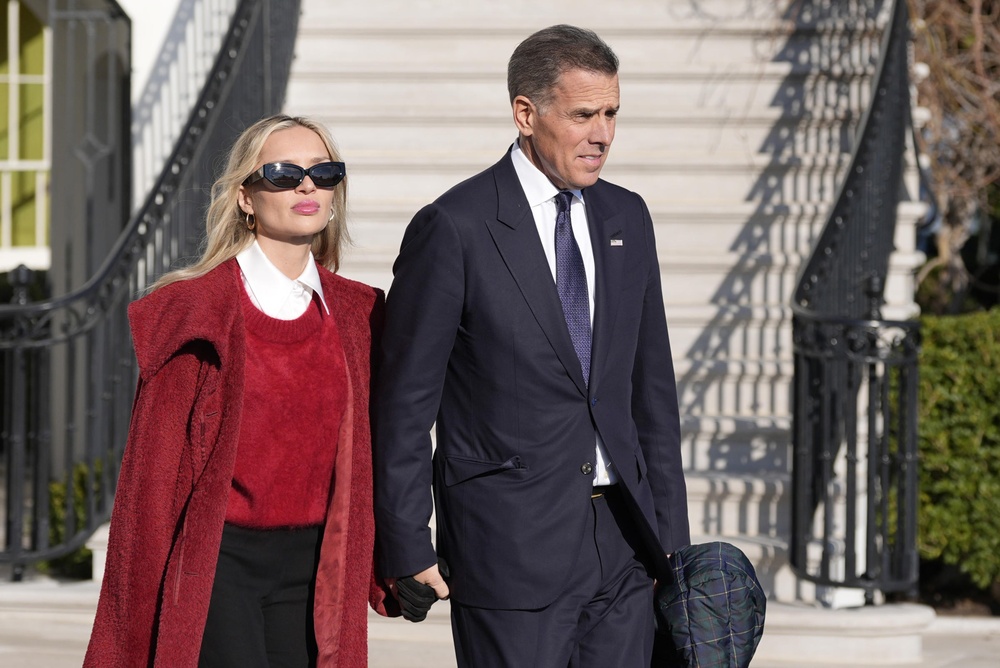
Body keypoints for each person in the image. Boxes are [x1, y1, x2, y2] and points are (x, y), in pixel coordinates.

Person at [373, 24, 690, 668]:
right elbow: (405, 405)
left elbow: (651, 393)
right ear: (525, 113)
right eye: (582, 115)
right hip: (508, 544)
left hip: (626, 544)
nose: (601, 133)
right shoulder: (454, 226)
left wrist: (671, 545)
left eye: (611, 114)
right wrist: (409, 542)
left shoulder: (628, 216)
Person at [85, 114, 395, 667]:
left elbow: (372, 459)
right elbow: (151, 485)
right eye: (283, 173)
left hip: (320, 566)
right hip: (219, 566)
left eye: (324, 172)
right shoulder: (194, 314)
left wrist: (389, 564)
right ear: (245, 197)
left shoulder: (361, 313)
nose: (307, 186)